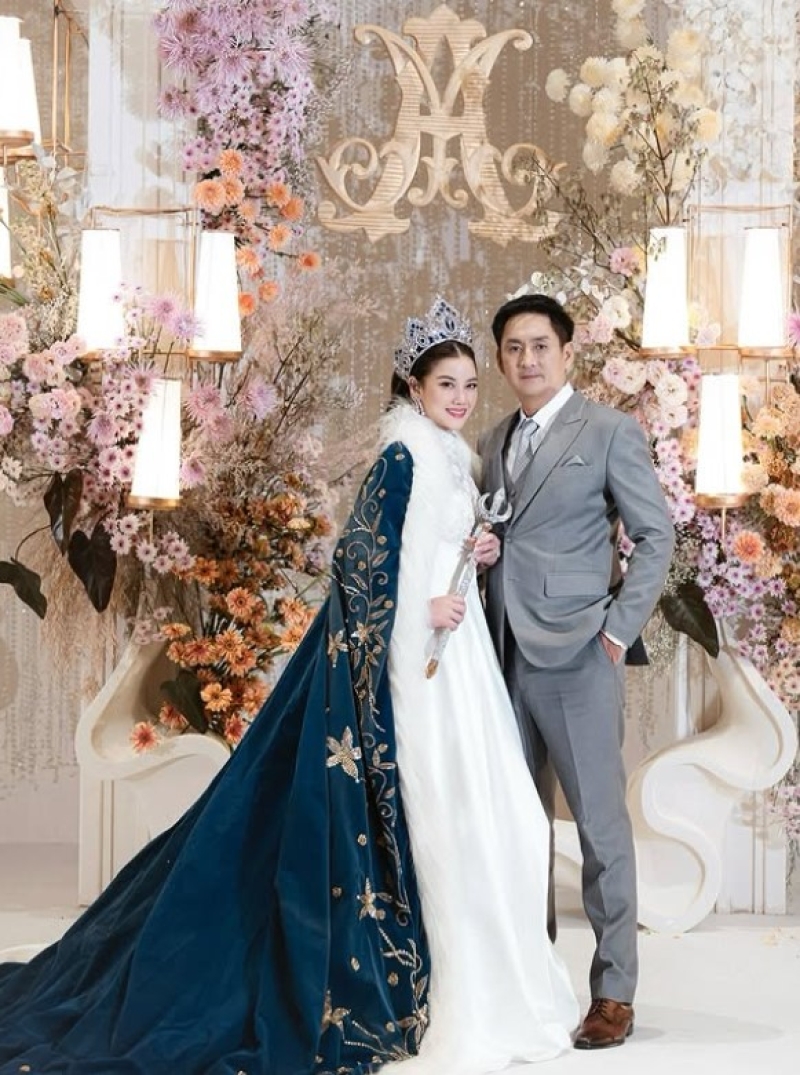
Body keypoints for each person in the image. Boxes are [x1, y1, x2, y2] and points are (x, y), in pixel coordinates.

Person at [0, 297, 578, 1075]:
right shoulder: (403, 455)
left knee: (494, 809)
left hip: (458, 655)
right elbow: (362, 563)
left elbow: (425, 547)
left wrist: (471, 555)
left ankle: (488, 976)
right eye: (446, 384)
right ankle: (444, 982)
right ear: (414, 387)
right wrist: (421, 608)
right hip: (421, 659)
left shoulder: (452, 455)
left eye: (471, 385)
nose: (461, 398)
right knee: (446, 807)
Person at [478, 292, 675, 1051]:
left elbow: (655, 536)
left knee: (598, 826)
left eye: (540, 345)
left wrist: (617, 632)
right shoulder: (493, 439)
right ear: (502, 360)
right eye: (513, 348)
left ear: (567, 353)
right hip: (501, 654)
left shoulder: (609, 431)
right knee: (519, 827)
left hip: (579, 654)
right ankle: (534, 982)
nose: (527, 359)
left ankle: (613, 992)